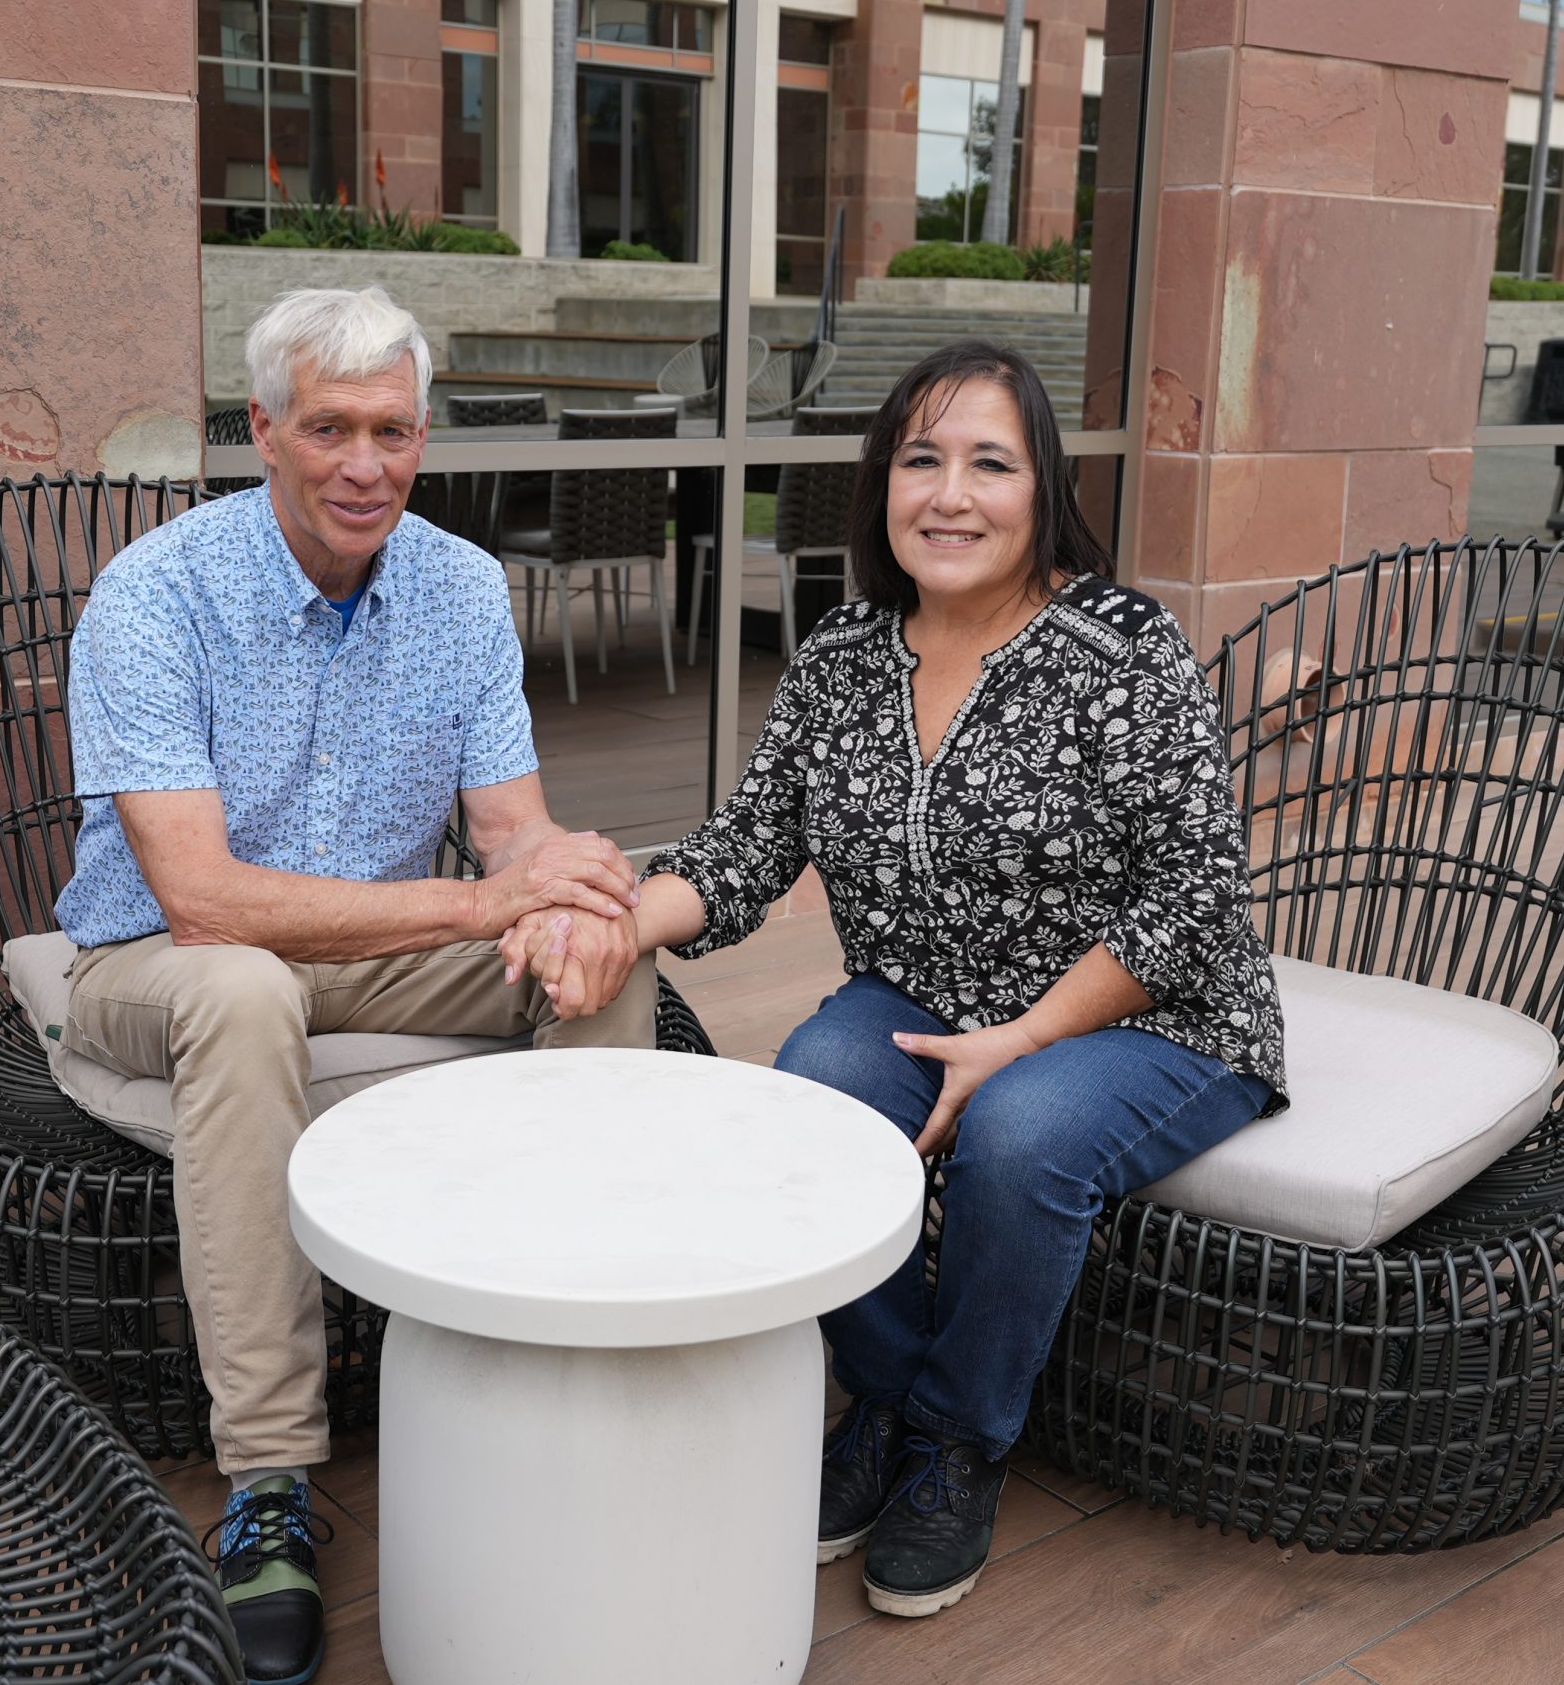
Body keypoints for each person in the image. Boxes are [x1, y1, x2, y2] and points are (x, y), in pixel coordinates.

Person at [506, 339, 1286, 1619]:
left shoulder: (1121, 646)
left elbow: (1195, 900)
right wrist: (615, 926)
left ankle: (958, 1440)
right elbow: (749, 846)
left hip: (1154, 1015)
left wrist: (1023, 1038)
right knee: (816, 1084)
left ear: (1042, 490)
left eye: (991, 464)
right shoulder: (844, 653)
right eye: (922, 461)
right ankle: (888, 1398)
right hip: (924, 993)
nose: (951, 495)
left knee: (1021, 1131)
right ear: (882, 484)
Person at [54, 286, 657, 1685]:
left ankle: (562, 1357)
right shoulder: (155, 594)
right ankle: (269, 1479)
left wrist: (569, 895)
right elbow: (201, 901)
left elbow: (510, 833)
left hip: (374, 957)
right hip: (158, 961)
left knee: (602, 964)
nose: (365, 465)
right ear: (263, 430)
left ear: (424, 436)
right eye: (329, 428)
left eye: (393, 430)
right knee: (245, 990)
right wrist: (485, 902)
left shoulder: (459, 586)